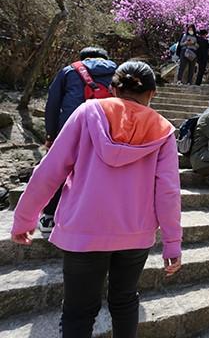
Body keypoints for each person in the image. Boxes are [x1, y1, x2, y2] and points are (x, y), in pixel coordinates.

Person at [11, 61, 183, 337]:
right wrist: (172, 242)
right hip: (135, 234)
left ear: (113, 88)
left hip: (83, 230)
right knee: (125, 300)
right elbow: (168, 192)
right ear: (153, 93)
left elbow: (50, 170)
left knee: (79, 311)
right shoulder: (163, 130)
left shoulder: (88, 112)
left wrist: (24, 219)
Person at [41, 46, 117, 238]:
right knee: (98, 172)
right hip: (105, 133)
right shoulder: (119, 72)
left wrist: (51, 134)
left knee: (60, 170)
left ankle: (49, 216)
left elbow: (53, 104)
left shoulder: (70, 71)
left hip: (70, 128)